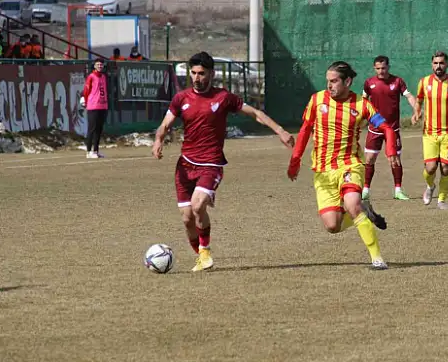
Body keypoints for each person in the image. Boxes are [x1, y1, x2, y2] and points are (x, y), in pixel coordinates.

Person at [151, 51, 294, 272]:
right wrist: (158, 139)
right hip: (185, 164)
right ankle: (200, 255)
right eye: (194, 73)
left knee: (198, 206)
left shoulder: (223, 97)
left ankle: (206, 253)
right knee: (187, 218)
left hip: (211, 163)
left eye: (201, 73)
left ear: (212, 73)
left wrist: (280, 130)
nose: (197, 78)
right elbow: (165, 124)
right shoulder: (181, 98)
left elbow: (254, 113)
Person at [288, 61, 399, 270]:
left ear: (347, 81)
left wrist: (391, 149)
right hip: (322, 171)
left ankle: (377, 258)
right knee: (332, 225)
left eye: (334, 81)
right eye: (327, 81)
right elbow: (305, 130)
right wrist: (295, 160)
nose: (329, 85)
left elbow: (386, 127)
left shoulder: (361, 104)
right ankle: (365, 213)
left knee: (352, 204)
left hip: (350, 165)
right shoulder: (316, 100)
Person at [411, 51, 448, 210]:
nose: (438, 66)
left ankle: (442, 200)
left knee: (446, 168)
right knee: (430, 168)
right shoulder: (424, 82)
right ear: (432, 64)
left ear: (447, 64)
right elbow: (419, 101)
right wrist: (417, 112)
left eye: (441, 63)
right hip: (429, 133)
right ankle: (430, 187)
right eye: (435, 63)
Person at [362, 55, 417, 200]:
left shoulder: (397, 81)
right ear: (375, 68)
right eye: (378, 68)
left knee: (395, 159)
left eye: (383, 68)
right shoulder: (369, 83)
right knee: (369, 159)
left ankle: (398, 190)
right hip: (375, 127)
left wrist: (416, 109)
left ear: (388, 67)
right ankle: (365, 190)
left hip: (392, 129)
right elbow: (363, 102)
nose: (381, 71)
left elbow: (409, 96)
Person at [80, 59, 109, 159]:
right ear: (94, 66)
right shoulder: (91, 77)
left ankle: (96, 151)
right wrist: (84, 98)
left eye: (101, 64)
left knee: (99, 130)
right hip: (93, 106)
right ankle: (88, 152)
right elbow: (86, 90)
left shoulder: (104, 77)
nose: (100, 66)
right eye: (98, 64)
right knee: (91, 129)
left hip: (103, 106)